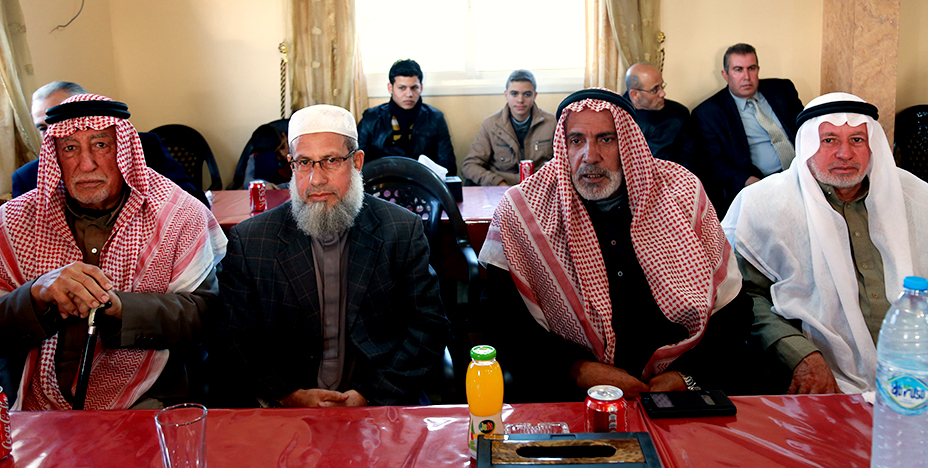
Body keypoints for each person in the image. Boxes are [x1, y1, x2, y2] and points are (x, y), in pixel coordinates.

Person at [478, 88, 757, 403]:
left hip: (680, 393)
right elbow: (500, 320)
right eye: (576, 140)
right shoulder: (523, 207)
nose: (590, 156)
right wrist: (578, 369)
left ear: (628, 143)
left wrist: (687, 376)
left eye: (606, 139)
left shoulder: (682, 192)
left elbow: (733, 310)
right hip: (569, 393)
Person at [211, 104, 449, 407]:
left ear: (357, 162)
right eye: (304, 163)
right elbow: (232, 337)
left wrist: (370, 395)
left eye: (331, 161)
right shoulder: (253, 240)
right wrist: (288, 394)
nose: (316, 179)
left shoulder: (401, 230)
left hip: (381, 402)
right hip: (285, 409)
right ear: (291, 165)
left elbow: (429, 325)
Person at [0, 94, 227, 410]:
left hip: (145, 396)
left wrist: (121, 307)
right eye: (70, 148)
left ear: (124, 150)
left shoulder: (178, 213)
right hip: (32, 400)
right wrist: (36, 294)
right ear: (55, 156)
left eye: (100, 145)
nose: (86, 164)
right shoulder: (14, 220)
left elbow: (203, 314)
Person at [722, 92, 928, 394]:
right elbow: (743, 297)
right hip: (823, 377)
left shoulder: (918, 198)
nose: (845, 153)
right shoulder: (762, 204)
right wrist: (801, 357)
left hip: (915, 375)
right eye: (829, 140)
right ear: (807, 145)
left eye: (857, 140)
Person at [12, 81, 209, 207]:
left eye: (63, 122)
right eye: (43, 128)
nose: (54, 134)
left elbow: (195, 205)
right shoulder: (27, 178)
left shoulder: (145, 148)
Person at [690, 43, 804, 216]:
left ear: (758, 69)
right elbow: (715, 163)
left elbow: (806, 127)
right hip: (762, 183)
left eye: (751, 68)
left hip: (803, 170)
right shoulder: (709, 113)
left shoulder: (782, 89)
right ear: (725, 75)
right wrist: (751, 182)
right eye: (738, 70)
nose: (746, 77)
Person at [357, 59, 457, 175]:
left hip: (423, 182)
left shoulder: (435, 118)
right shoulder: (371, 118)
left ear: (421, 87)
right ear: (390, 88)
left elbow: (447, 167)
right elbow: (357, 164)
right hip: (381, 182)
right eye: (402, 88)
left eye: (414, 87)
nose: (409, 94)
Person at [461, 70, 555, 186]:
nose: (520, 100)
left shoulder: (551, 123)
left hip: (540, 187)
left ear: (534, 96)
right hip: (502, 187)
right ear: (506, 95)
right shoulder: (491, 124)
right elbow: (470, 166)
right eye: (514, 94)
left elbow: (564, 163)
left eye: (527, 94)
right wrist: (498, 183)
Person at [622, 63, 689, 164]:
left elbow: (689, 161)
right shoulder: (614, 115)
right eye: (655, 90)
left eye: (662, 86)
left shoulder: (679, 114)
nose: (663, 93)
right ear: (635, 95)